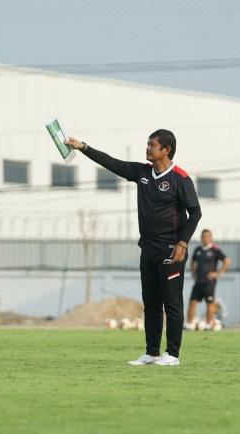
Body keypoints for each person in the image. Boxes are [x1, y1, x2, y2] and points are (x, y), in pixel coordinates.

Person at [65, 130, 202, 366]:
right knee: (150, 303)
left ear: (166, 150)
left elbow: (195, 213)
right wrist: (83, 147)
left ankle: (173, 355)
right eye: (147, 144)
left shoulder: (180, 178)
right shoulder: (142, 172)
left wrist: (182, 243)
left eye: (152, 145)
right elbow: (112, 163)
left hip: (171, 250)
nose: (147, 148)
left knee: (172, 303)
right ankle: (152, 353)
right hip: (147, 249)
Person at [186, 229, 231, 330]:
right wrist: (193, 273)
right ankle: (189, 324)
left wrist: (218, 273)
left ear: (211, 238)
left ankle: (208, 324)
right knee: (192, 302)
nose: (205, 238)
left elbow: (227, 261)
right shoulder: (197, 249)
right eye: (204, 236)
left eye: (207, 236)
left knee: (210, 303)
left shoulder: (215, 250)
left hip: (209, 282)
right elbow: (192, 261)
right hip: (198, 281)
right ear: (201, 238)